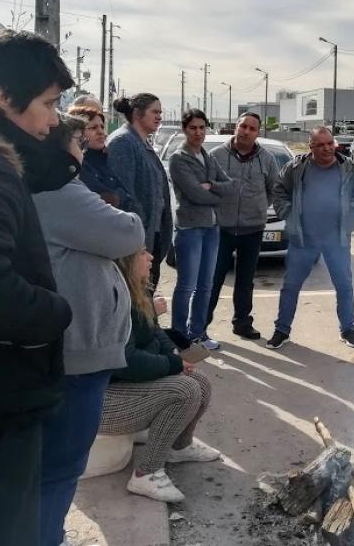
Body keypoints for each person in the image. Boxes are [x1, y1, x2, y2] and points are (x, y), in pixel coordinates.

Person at [31, 114, 145, 546]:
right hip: (77, 353)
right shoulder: (60, 191)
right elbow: (127, 232)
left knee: (55, 468)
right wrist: (115, 210)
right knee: (61, 468)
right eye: (80, 141)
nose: (86, 149)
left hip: (75, 348)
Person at [0, 30, 74, 546]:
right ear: (3, 97)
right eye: (48, 103)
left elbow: (46, 171)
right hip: (5, 401)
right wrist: (54, 313)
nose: (52, 120)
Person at [100, 250, 219, 504]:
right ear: (126, 261)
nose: (151, 257)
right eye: (143, 252)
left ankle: (180, 446)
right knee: (185, 390)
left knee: (201, 383)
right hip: (102, 401)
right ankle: (146, 473)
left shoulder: (137, 292)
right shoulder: (114, 299)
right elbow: (127, 361)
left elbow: (157, 333)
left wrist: (176, 357)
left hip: (125, 387)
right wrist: (173, 363)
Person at [268, 126, 354, 349]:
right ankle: (281, 330)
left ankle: (348, 329)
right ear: (311, 146)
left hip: (337, 238)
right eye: (320, 145)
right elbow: (278, 191)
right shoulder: (296, 167)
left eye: (330, 143)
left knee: (344, 285)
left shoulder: (349, 168)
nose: (327, 148)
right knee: (291, 286)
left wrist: (350, 215)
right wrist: (289, 215)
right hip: (303, 238)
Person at [207, 112, 278, 340]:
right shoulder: (215, 156)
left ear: (258, 133)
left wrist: (256, 208)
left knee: (245, 281)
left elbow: (273, 190)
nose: (246, 131)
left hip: (253, 230)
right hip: (221, 230)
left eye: (252, 129)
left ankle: (242, 323)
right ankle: (201, 324)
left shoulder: (266, 159)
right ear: (236, 127)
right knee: (213, 279)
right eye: (243, 126)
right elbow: (205, 188)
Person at [169, 109, 233, 349]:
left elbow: (230, 186)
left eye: (202, 128)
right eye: (193, 128)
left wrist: (212, 185)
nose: (198, 132)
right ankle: (179, 337)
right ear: (185, 129)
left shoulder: (208, 157)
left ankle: (198, 333)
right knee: (187, 285)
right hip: (190, 229)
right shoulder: (179, 158)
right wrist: (215, 195)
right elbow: (194, 194)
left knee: (206, 285)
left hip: (211, 228)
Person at [107, 93, 172, 289]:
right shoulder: (122, 142)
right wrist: (140, 232)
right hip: (137, 242)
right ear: (137, 113)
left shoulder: (142, 142)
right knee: (138, 304)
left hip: (152, 237)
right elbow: (124, 195)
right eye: (154, 111)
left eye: (160, 112)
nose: (159, 116)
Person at [69, 104, 135, 210]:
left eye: (102, 127)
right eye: (93, 128)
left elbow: (129, 194)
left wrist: (118, 196)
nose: (101, 132)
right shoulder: (79, 164)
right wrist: (117, 196)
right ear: (77, 133)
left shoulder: (108, 158)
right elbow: (104, 201)